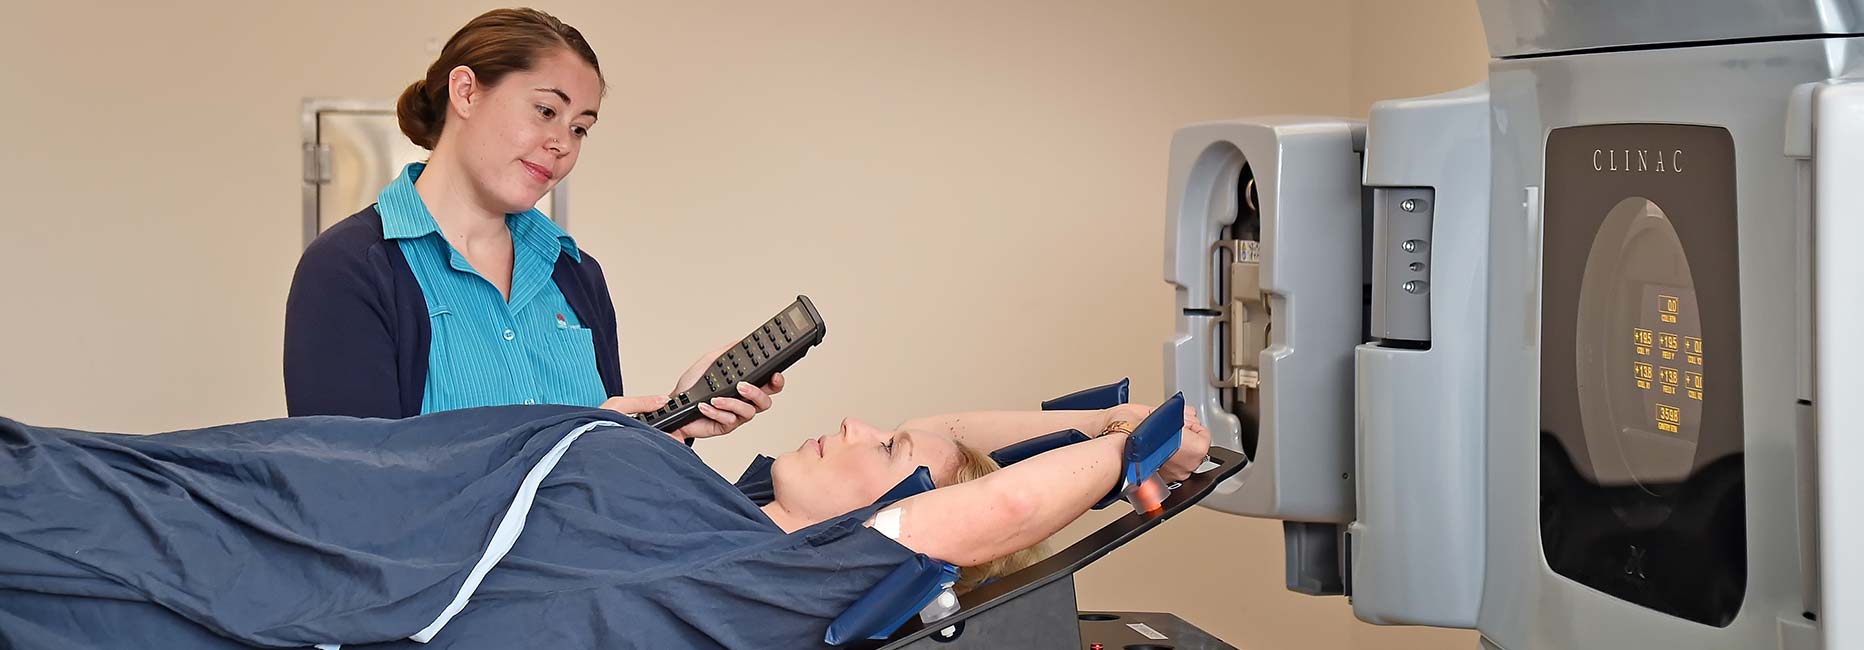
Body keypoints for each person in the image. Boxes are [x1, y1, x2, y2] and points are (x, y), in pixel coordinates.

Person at [0, 401, 1211, 649]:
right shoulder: (722, 500)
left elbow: (993, 504)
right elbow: (956, 437)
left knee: (77, 535)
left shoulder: (772, 577)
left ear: (900, 515)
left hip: (290, 568)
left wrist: (1143, 448)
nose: (860, 419)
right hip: (276, 483)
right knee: (74, 475)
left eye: (887, 449)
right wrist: (1092, 407)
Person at [282, 8, 771, 439]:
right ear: (466, 92)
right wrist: (569, 441)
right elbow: (348, 496)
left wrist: (671, 422)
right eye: (545, 111)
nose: (563, 143)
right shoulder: (348, 269)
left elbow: (608, 492)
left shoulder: (576, 274)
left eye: (580, 128)